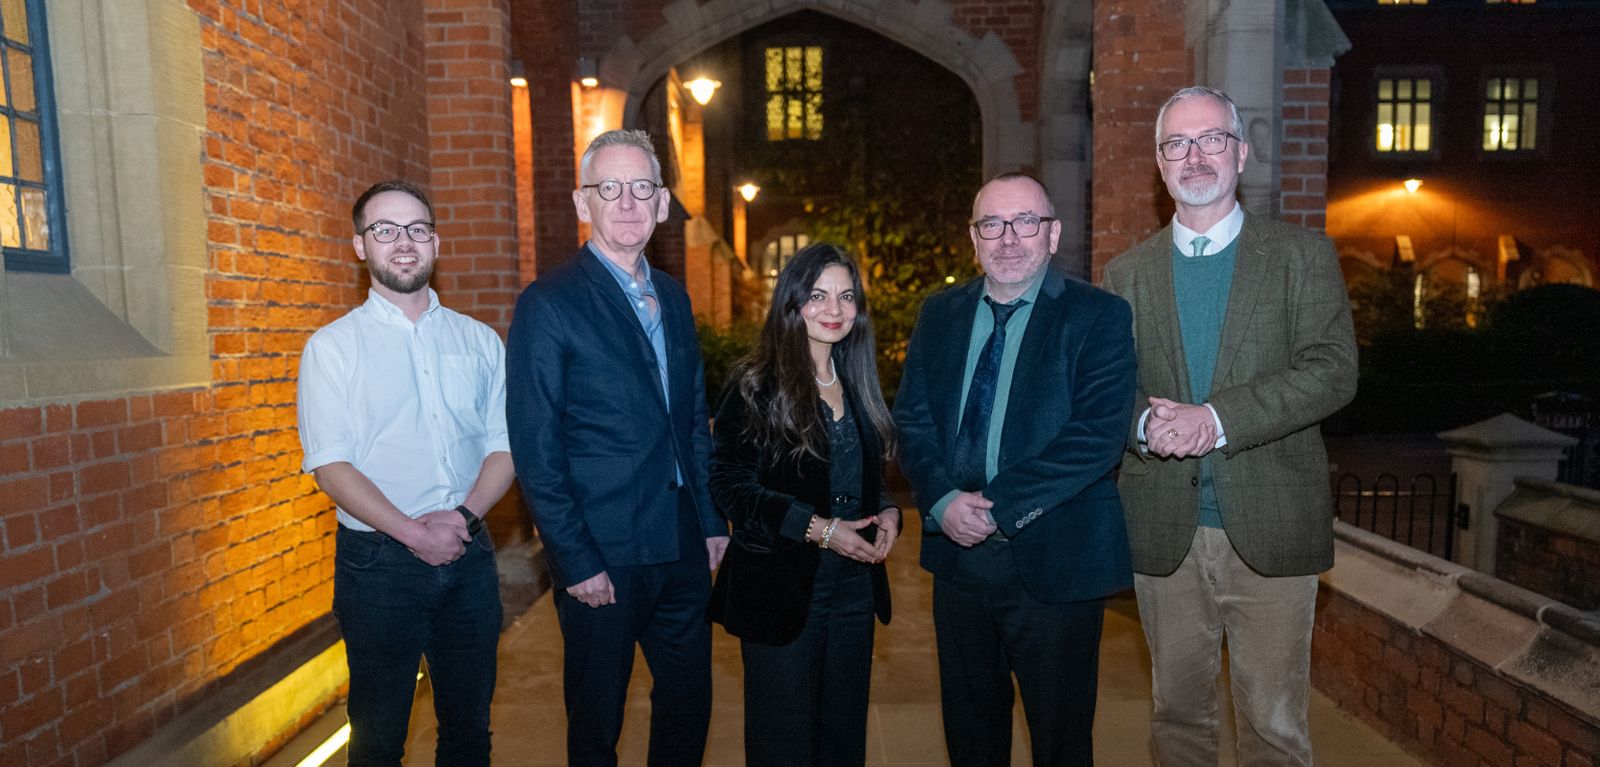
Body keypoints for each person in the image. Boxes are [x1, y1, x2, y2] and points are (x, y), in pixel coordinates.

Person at [1100, 86, 1358, 766]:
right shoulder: (1125, 274)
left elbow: (1333, 370)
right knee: (1176, 719)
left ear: (1241, 153)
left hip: (1273, 526)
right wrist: (1144, 427)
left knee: (1274, 728)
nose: (1195, 156)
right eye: (1177, 144)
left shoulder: (1301, 256)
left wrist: (1215, 420)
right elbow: (1107, 391)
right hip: (1165, 530)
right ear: (1160, 164)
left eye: (1211, 139)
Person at [893, 172, 1137, 766]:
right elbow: (912, 420)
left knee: (1060, 741)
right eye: (992, 224)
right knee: (970, 735)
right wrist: (943, 501)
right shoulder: (940, 314)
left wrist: (996, 507)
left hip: (1056, 559)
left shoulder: (1098, 316)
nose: (1008, 238)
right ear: (973, 238)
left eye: (1025, 222)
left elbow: (1097, 436)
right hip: (958, 562)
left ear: (1052, 235)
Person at [505, 129, 728, 767]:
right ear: (584, 203)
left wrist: (711, 518)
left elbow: (691, 417)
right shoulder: (549, 303)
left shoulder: (675, 298)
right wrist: (574, 559)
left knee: (688, 704)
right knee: (597, 721)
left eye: (641, 188)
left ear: (662, 203)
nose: (627, 203)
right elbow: (536, 447)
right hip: (602, 550)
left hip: (681, 541)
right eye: (609, 188)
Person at [296, 180, 514, 766]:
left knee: (469, 733)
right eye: (385, 230)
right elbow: (330, 465)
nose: (403, 242)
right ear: (360, 247)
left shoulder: (479, 341)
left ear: (436, 243)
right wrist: (415, 532)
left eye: (417, 229)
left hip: (468, 554)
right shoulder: (332, 348)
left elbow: (504, 445)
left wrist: (462, 518)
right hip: (378, 567)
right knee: (377, 740)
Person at [706, 243, 901, 767]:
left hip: (853, 589)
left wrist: (887, 511)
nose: (834, 309)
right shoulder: (755, 384)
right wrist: (819, 528)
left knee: (843, 741)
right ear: (792, 303)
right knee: (783, 744)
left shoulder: (857, 381)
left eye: (846, 296)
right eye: (818, 296)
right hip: (780, 586)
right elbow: (730, 485)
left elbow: (861, 473)